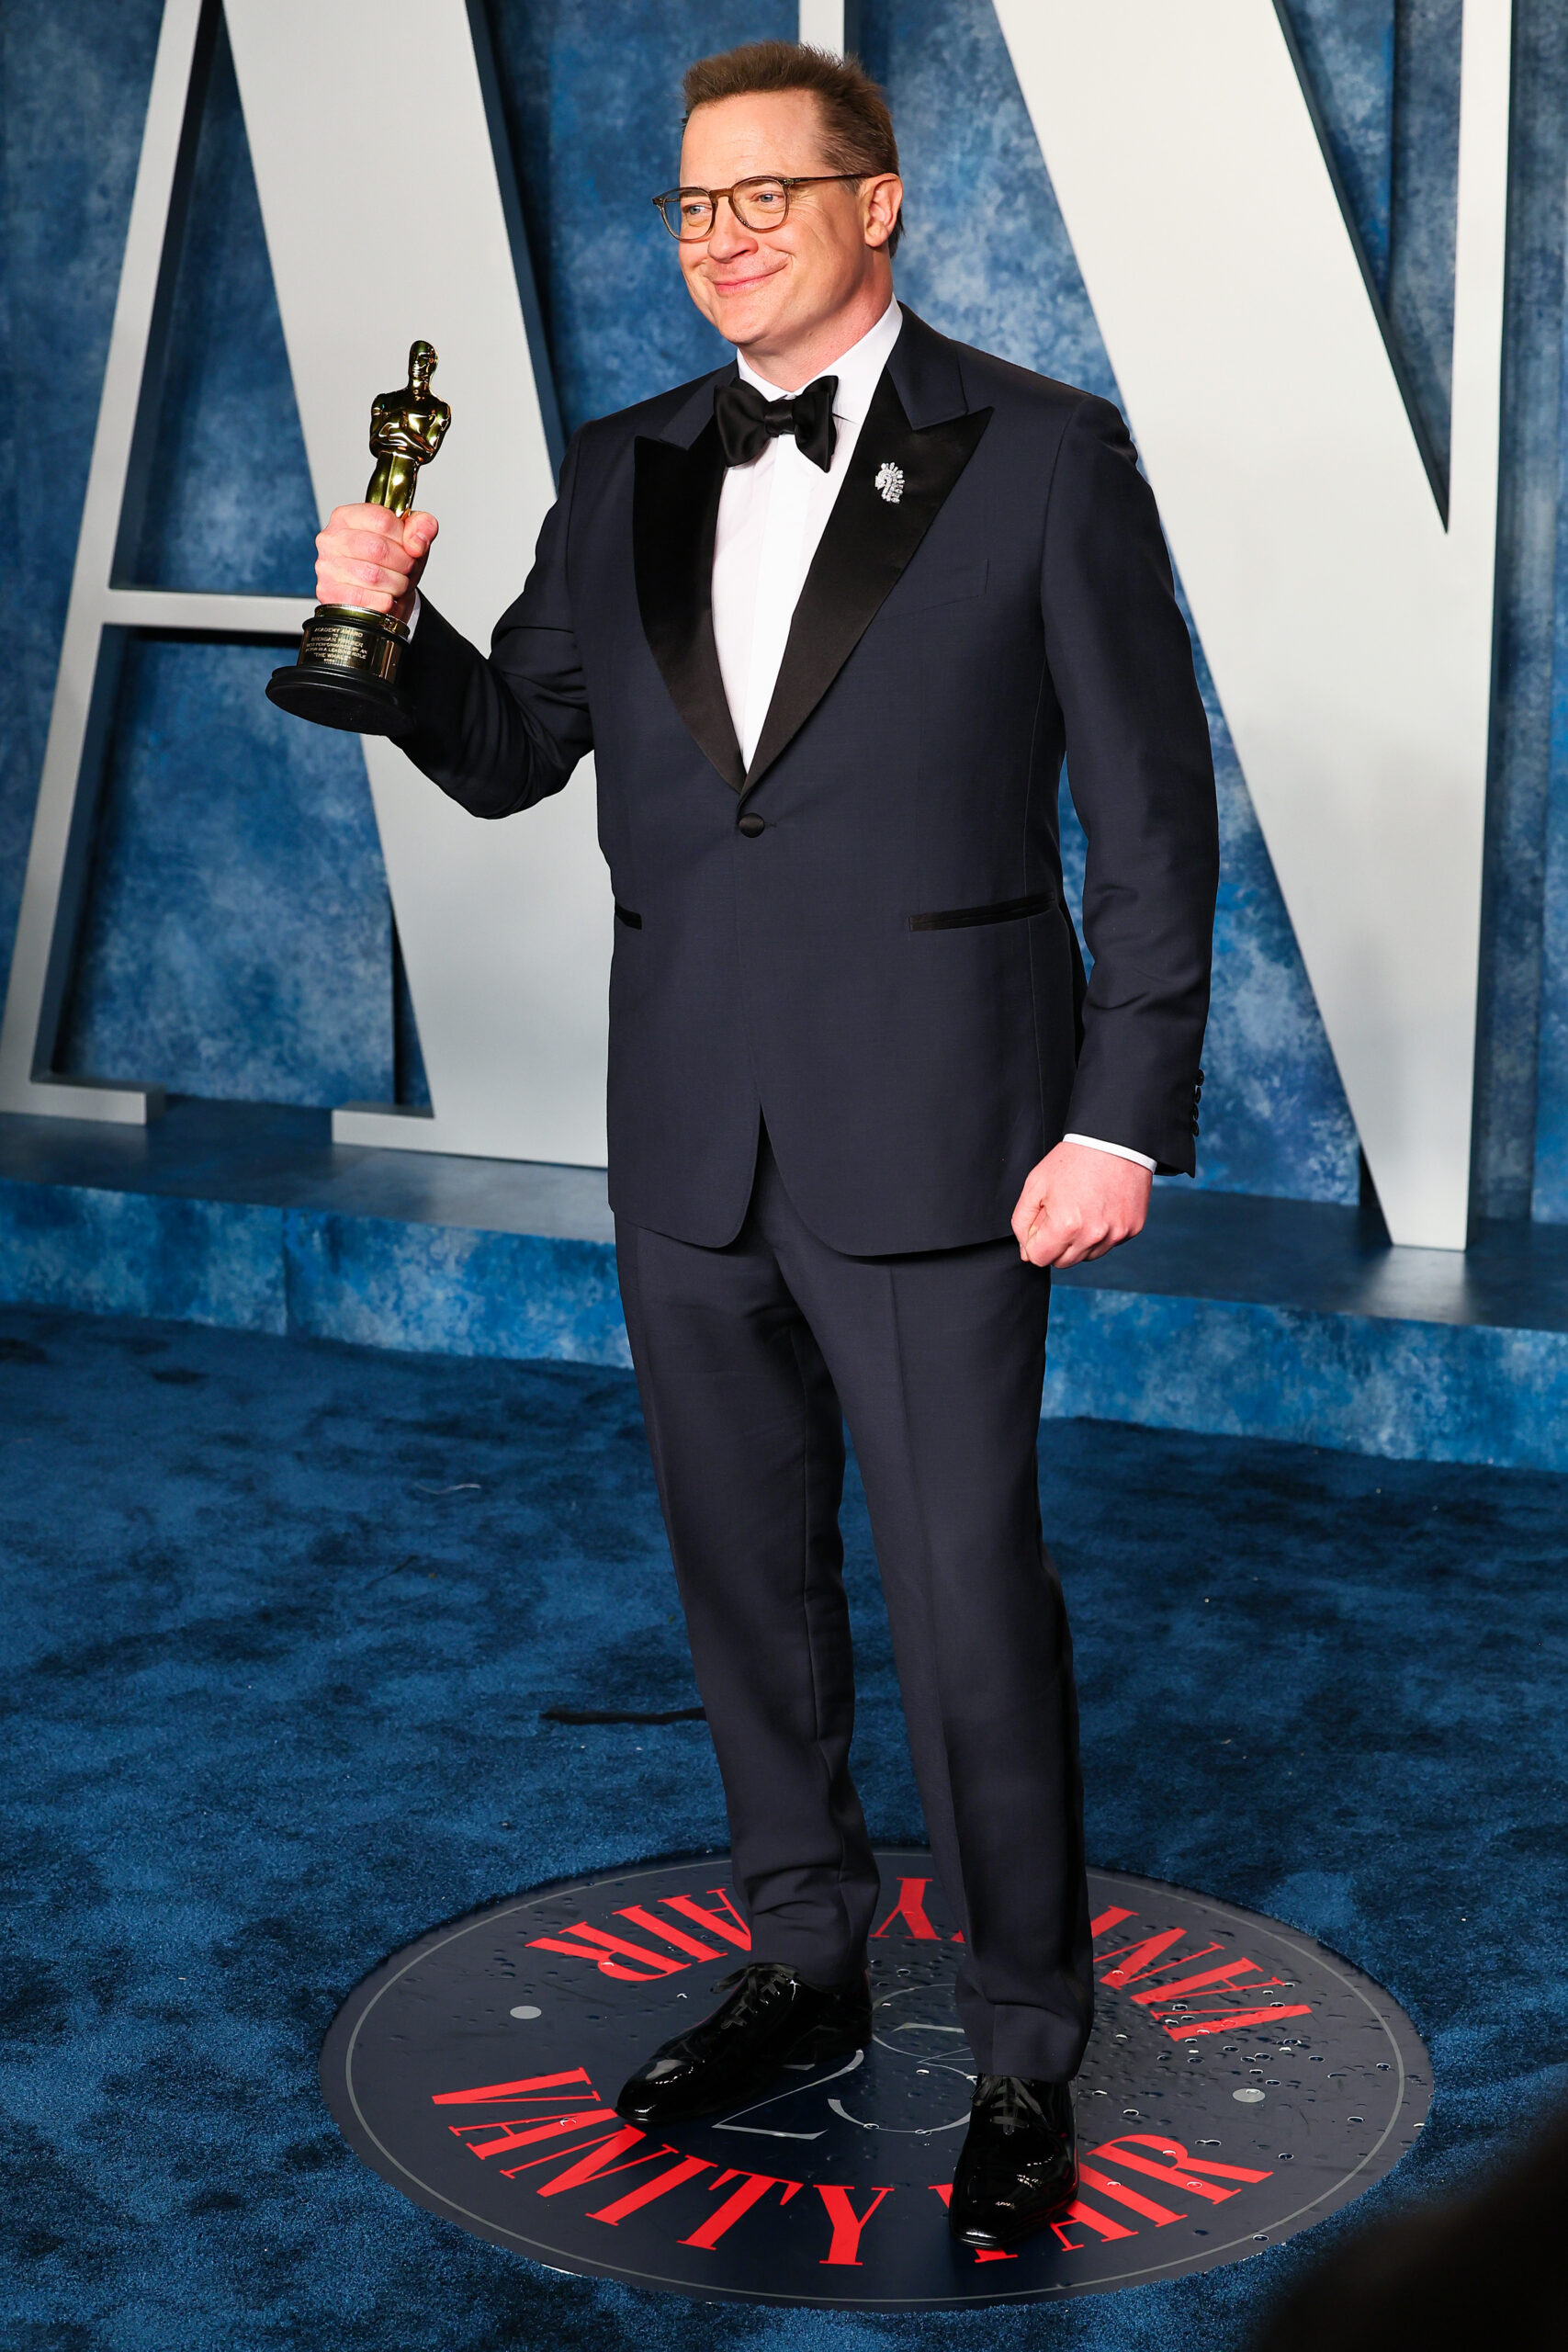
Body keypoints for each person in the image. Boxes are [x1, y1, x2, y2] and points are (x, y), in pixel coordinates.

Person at [311, 40, 1218, 2251]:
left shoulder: (1044, 454)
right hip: (685, 1130)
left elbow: (1150, 818)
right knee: (745, 1589)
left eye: (766, 195)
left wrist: (1118, 1110)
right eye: (692, 204)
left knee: (965, 1601)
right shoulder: (620, 461)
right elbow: (512, 747)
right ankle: (802, 1954)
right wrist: (386, 624)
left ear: (875, 201)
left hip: (945, 1133)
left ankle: (1023, 2040)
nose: (721, 237)